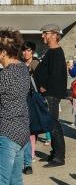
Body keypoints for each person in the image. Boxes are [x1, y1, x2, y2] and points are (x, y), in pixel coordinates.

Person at [0, 29, 31, 185]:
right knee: (15, 184)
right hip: (21, 132)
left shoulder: (5, 75)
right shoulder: (22, 70)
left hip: (6, 132)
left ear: (3, 51)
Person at [34, 24, 67, 167]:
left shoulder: (56, 52)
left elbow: (55, 76)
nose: (43, 36)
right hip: (49, 94)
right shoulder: (50, 52)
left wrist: (44, 87)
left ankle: (59, 157)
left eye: (45, 33)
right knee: (50, 123)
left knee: (53, 124)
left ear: (54, 35)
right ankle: (54, 153)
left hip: (51, 94)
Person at [21, 42, 39, 176]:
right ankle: (29, 157)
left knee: (31, 129)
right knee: (28, 129)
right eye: (24, 51)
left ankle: (30, 156)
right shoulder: (20, 65)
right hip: (22, 99)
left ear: (32, 51)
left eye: (28, 50)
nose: (26, 53)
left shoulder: (36, 64)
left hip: (32, 98)